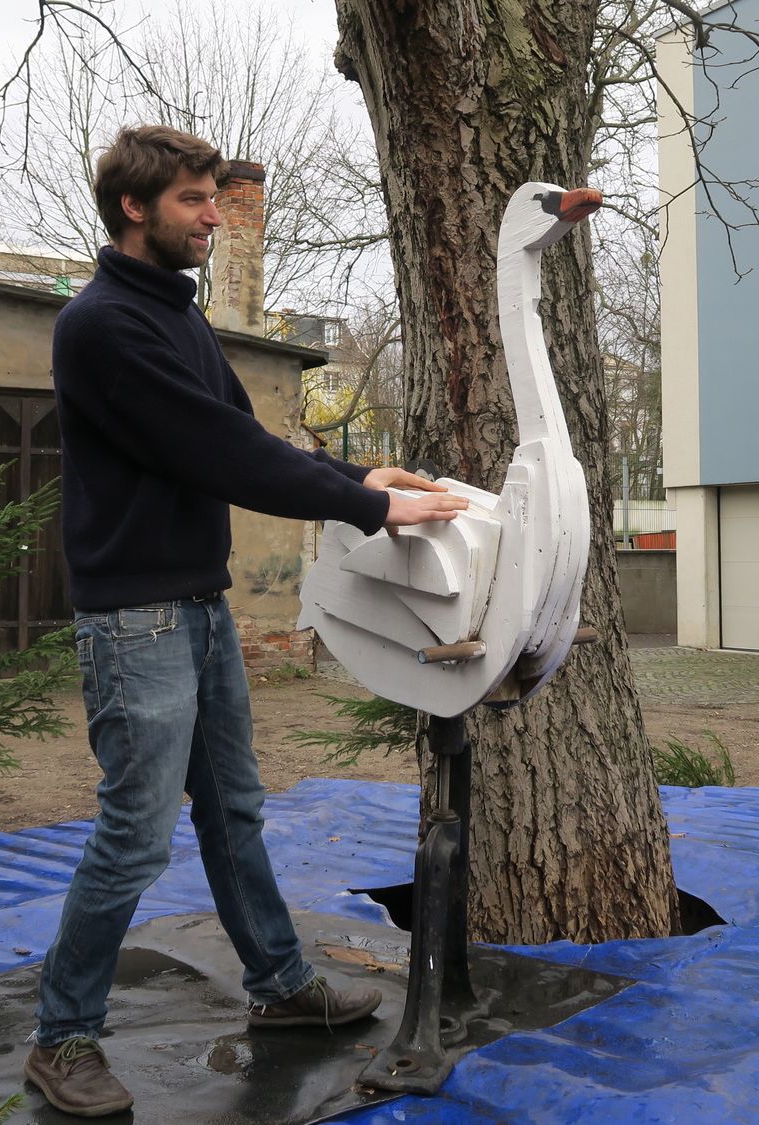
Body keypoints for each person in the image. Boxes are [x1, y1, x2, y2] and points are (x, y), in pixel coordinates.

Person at [25, 124, 468, 1118]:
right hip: (133, 617)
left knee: (232, 813)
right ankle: (61, 1039)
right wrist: (369, 509)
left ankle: (281, 989)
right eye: (193, 202)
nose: (214, 219)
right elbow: (215, 453)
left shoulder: (173, 318)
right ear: (135, 208)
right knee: (134, 837)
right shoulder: (98, 325)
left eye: (216, 200)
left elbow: (241, 432)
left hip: (195, 603)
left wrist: (359, 474)